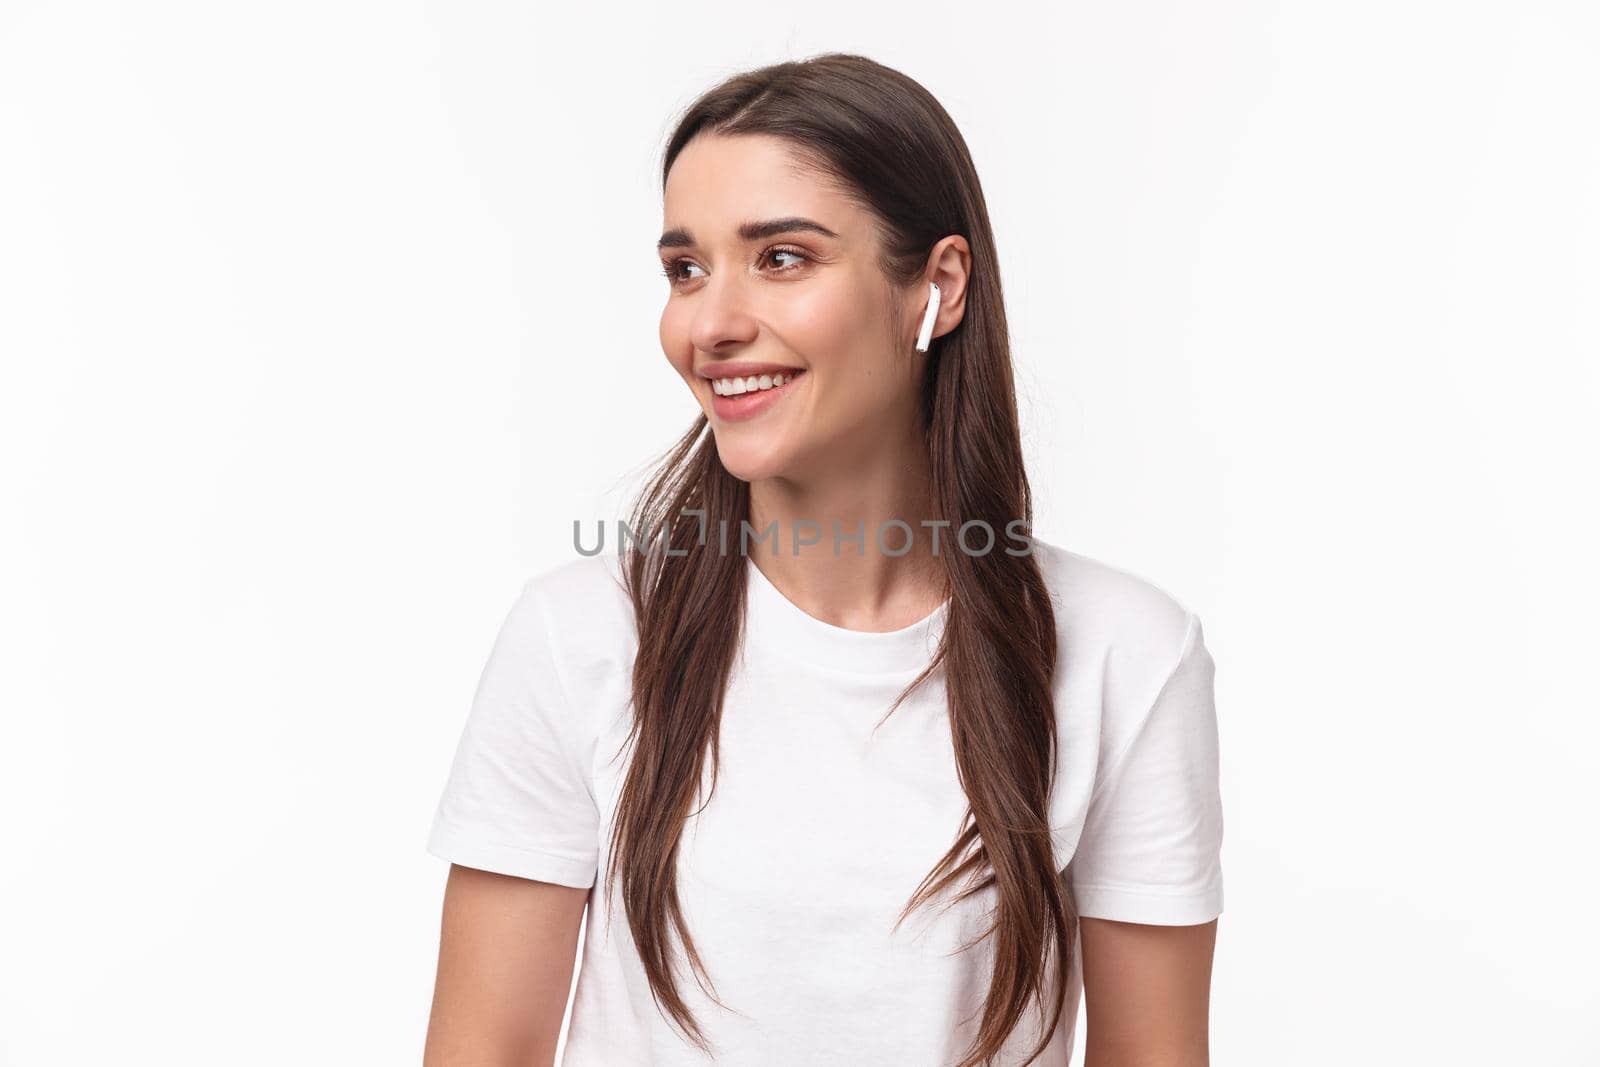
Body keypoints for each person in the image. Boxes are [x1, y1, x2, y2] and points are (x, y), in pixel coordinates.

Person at [422, 52, 1223, 1067]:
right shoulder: (579, 636)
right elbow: (482, 1047)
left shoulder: (1125, 653)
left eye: (782, 258)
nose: (709, 323)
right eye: (685, 269)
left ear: (935, 285)